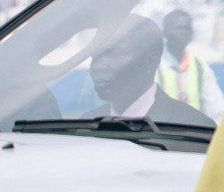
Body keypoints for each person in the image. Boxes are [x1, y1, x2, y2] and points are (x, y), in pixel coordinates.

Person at [84, 15, 214, 125]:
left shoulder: (194, 127)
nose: (99, 67)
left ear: (151, 62)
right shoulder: (87, 122)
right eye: (95, 57)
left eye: (115, 55)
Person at [156, 8, 224, 120]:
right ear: (164, 33)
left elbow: (217, 110)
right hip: (161, 133)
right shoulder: (153, 64)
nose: (184, 32)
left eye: (187, 28)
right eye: (179, 28)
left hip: (193, 133)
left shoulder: (200, 67)